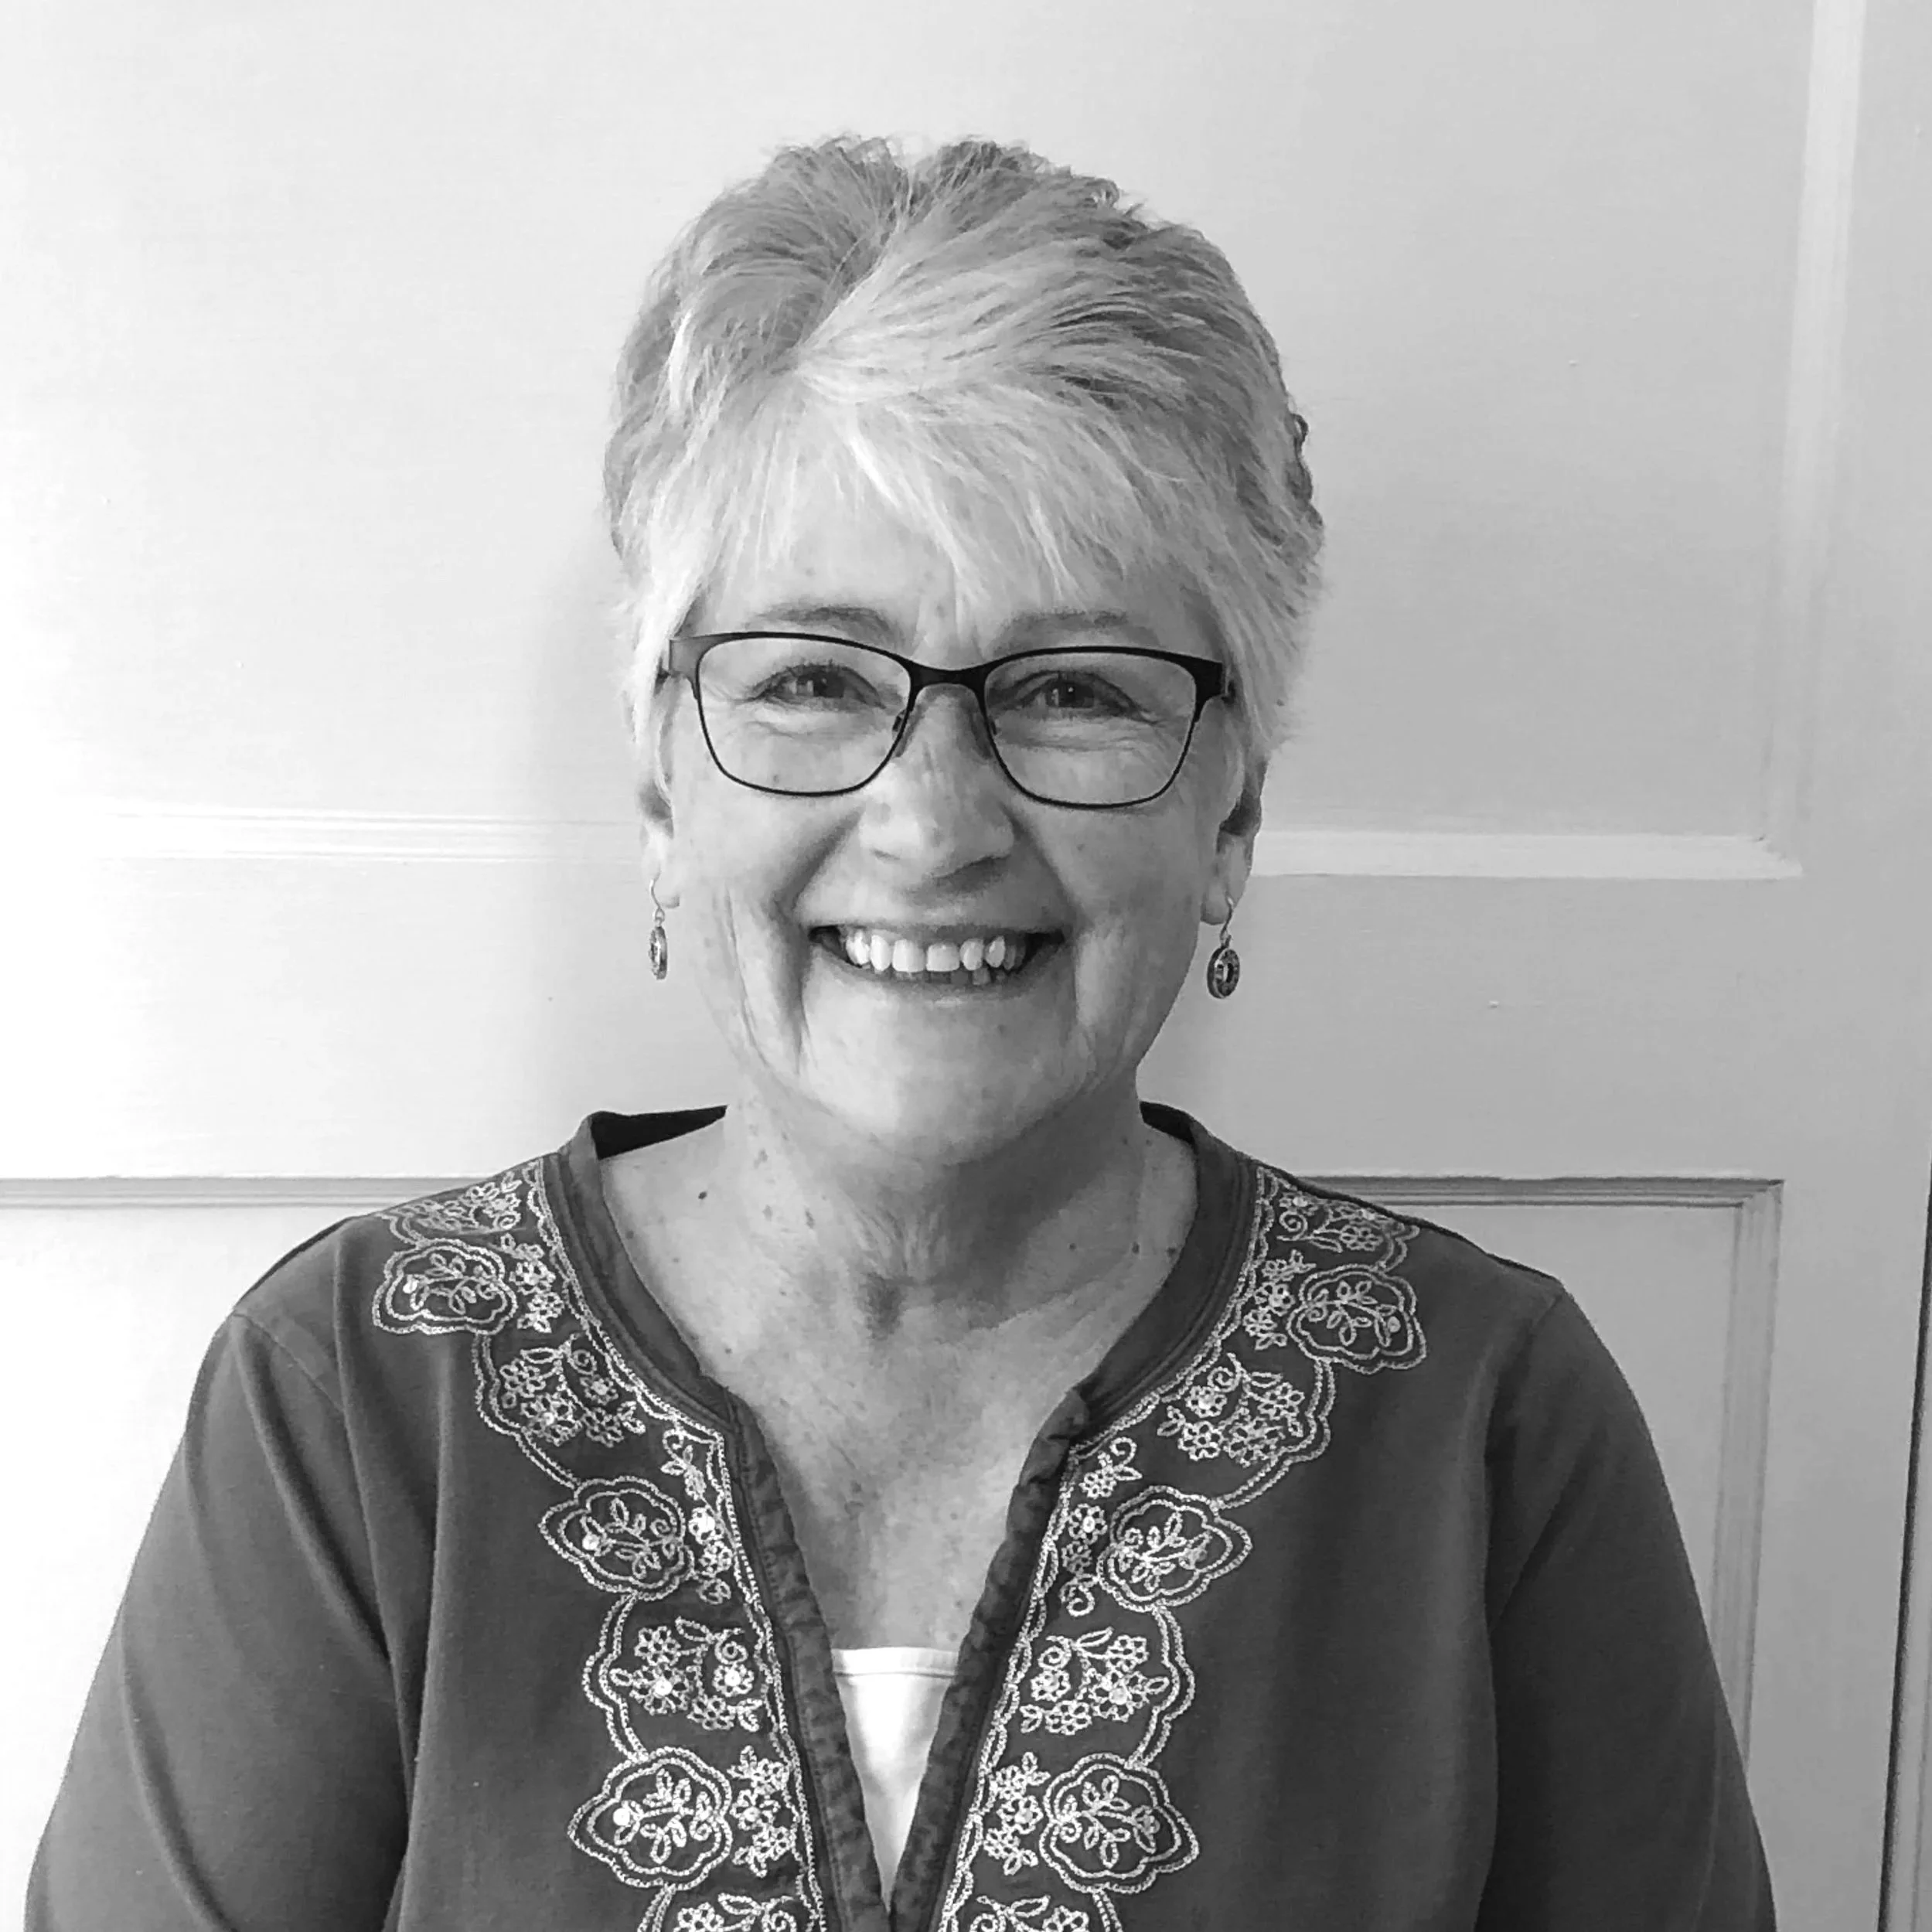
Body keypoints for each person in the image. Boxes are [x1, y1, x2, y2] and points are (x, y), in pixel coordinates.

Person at [29, 135, 1775, 1930]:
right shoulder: (360, 1392)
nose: (934, 824)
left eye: (1073, 688)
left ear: (1231, 817)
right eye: (812, 678)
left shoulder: (1482, 1420)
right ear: (663, 789)